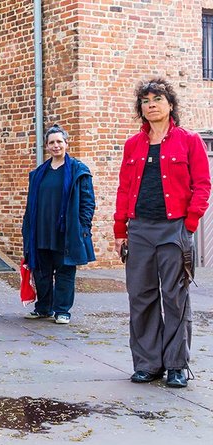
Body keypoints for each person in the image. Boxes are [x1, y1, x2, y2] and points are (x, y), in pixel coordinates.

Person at [114, 77, 210, 388]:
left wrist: (190, 222)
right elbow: (124, 189)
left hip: (174, 228)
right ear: (140, 108)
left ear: (170, 105)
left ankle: (177, 366)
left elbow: (202, 186)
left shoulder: (189, 141)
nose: (151, 105)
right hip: (139, 228)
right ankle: (147, 364)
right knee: (141, 297)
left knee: (175, 297)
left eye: (157, 99)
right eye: (145, 100)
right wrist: (120, 229)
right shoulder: (133, 145)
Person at [22, 124, 96, 325]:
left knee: (65, 272)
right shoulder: (39, 173)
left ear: (66, 143)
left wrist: (83, 227)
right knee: (41, 272)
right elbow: (31, 205)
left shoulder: (78, 171)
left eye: (59, 142)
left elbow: (88, 202)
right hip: (41, 231)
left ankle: (62, 311)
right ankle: (43, 308)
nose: (56, 146)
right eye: (52, 142)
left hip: (66, 231)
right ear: (47, 146)